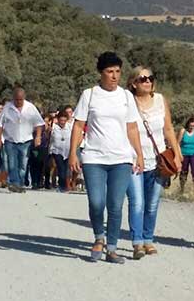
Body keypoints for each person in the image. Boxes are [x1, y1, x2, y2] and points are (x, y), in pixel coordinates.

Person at [68, 52, 144, 264]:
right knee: (96, 202)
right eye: (109, 71)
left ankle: (111, 248)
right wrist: (73, 153)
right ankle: (98, 237)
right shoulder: (89, 95)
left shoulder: (126, 96)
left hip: (121, 158)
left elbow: (132, 127)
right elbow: (78, 125)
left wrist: (139, 154)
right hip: (94, 157)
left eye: (118, 72)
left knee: (115, 204)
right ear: (101, 73)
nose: (114, 76)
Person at [126, 66, 181, 259]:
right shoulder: (127, 102)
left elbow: (168, 128)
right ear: (134, 83)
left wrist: (177, 152)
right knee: (137, 202)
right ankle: (137, 242)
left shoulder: (160, 100)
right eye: (143, 79)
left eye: (150, 78)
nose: (148, 81)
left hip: (158, 160)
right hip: (133, 159)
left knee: (152, 203)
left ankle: (148, 239)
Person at [0, 87, 45, 193]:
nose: (18, 102)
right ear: (13, 98)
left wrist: (38, 137)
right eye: (16, 99)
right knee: (12, 163)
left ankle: (20, 183)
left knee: (23, 165)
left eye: (20, 100)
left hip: (25, 141)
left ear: (24, 98)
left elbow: (39, 123)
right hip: (10, 140)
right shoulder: (7, 108)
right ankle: (15, 183)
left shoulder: (30, 108)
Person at [48, 110, 71, 192]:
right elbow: (49, 137)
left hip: (68, 151)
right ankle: (62, 186)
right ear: (58, 119)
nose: (63, 122)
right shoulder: (54, 127)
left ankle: (64, 185)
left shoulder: (70, 127)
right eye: (61, 120)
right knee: (60, 168)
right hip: (56, 151)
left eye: (64, 120)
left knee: (65, 169)